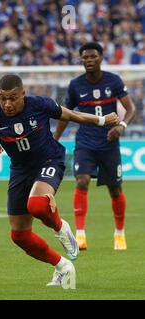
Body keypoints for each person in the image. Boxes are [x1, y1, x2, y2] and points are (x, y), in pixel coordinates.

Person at [0, 74, 119, 288]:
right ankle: (62, 266)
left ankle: (61, 228)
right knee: (19, 235)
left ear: (23, 94)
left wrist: (103, 120)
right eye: (3, 98)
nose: (8, 104)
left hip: (49, 159)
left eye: (13, 98)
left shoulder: (39, 104)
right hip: (20, 170)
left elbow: (71, 115)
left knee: (37, 205)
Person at [54, 42, 136, 251]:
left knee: (115, 189)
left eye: (92, 56)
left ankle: (119, 233)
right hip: (85, 142)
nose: (89, 60)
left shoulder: (114, 81)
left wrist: (122, 126)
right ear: (81, 60)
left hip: (109, 143)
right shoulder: (75, 85)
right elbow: (65, 113)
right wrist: (54, 138)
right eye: (85, 57)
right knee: (82, 181)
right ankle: (80, 235)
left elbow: (130, 108)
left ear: (100, 57)